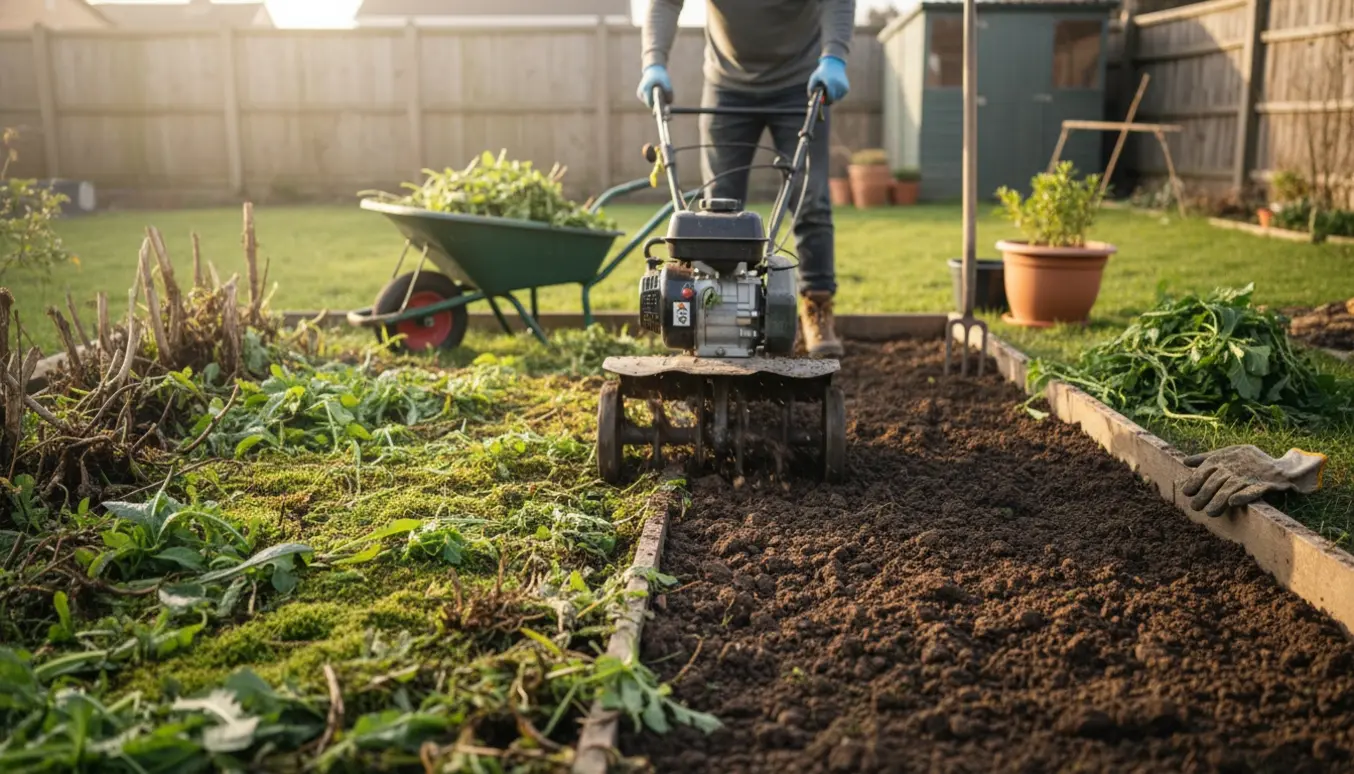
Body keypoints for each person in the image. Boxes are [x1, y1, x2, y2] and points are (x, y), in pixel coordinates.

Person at [638, 0, 856, 358]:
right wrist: (653, 62)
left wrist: (835, 56)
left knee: (810, 197)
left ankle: (816, 308)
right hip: (727, 84)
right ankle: (705, 315)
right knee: (716, 211)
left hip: (801, 84)